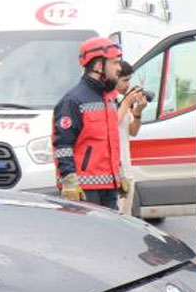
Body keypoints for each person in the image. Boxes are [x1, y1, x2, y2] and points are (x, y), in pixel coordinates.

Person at [52, 37, 137, 209]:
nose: (118, 68)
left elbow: (110, 142)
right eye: (114, 63)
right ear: (99, 66)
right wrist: (69, 182)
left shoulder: (108, 98)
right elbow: (62, 146)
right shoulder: (73, 101)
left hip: (109, 187)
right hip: (83, 190)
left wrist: (118, 175)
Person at [113, 60, 150, 215]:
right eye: (125, 80)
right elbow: (110, 126)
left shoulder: (122, 102)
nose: (128, 85)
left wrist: (138, 112)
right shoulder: (108, 101)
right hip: (116, 171)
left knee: (126, 217)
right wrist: (127, 101)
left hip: (126, 169)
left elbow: (132, 131)